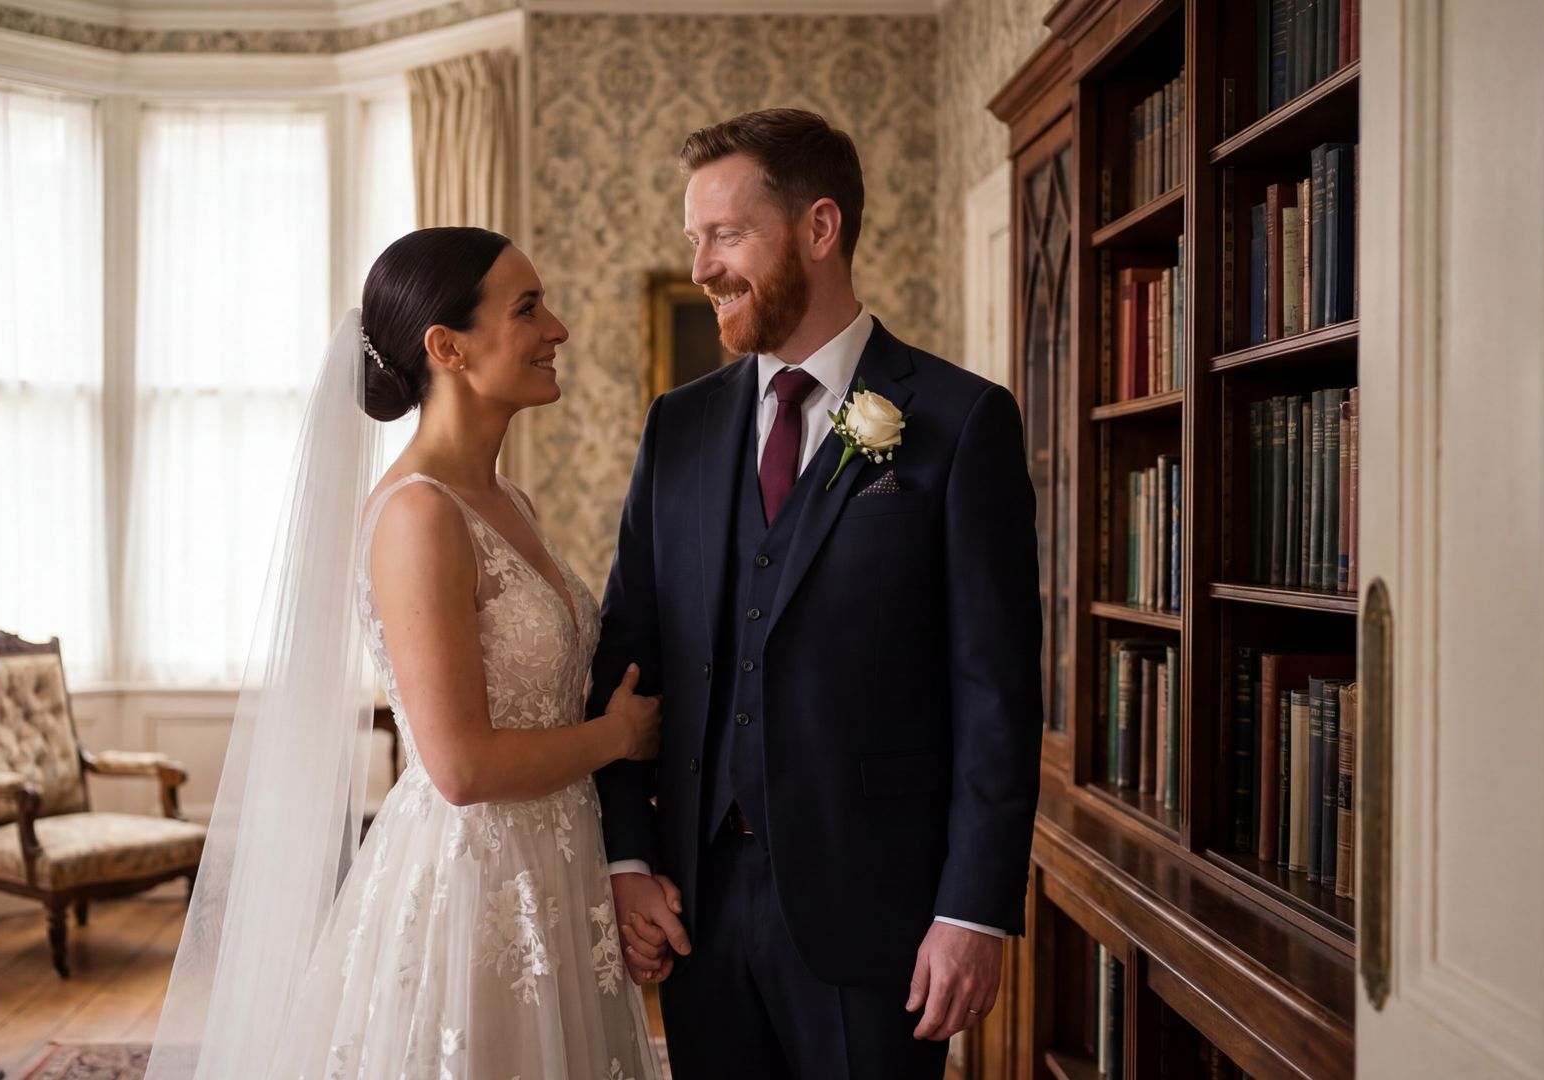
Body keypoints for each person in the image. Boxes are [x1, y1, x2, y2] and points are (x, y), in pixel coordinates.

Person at [148, 227, 666, 1079]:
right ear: (446, 347)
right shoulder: (418, 516)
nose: (558, 330)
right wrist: (618, 737)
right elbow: (459, 766)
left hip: (556, 868)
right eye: (529, 308)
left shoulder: (511, 501)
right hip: (475, 885)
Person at [592, 108, 1045, 1079]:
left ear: (820, 228)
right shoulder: (678, 428)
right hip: (698, 918)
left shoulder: (961, 422)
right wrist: (628, 863)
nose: (703, 266)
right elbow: (627, 663)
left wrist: (972, 912)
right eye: (695, 240)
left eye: (726, 235)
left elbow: (995, 692)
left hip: (878, 916)